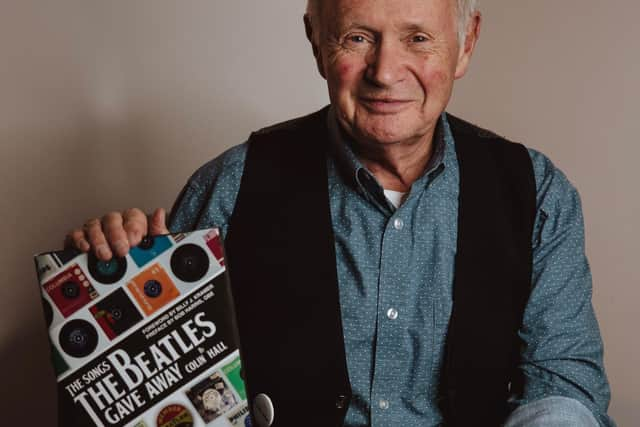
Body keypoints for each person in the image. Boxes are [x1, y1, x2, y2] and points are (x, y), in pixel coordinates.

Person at [65, 0, 615, 426]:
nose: (384, 71)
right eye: (357, 37)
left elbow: (562, 385)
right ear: (315, 40)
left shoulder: (538, 193)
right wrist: (113, 282)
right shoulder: (229, 186)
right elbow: (163, 392)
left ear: (465, 43)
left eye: (417, 39)